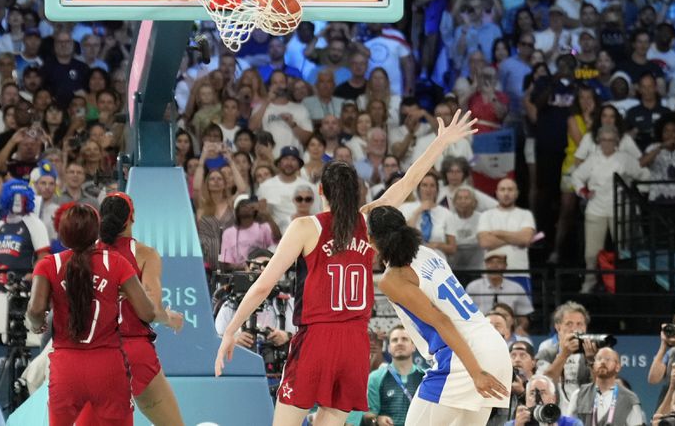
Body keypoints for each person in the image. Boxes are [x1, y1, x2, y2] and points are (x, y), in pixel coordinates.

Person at [215, 110, 479, 426]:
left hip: (317, 338)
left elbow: (262, 285)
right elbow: (409, 180)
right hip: (355, 343)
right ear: (357, 192)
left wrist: (231, 331)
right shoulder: (368, 221)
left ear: (321, 191)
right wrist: (440, 143)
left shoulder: (305, 227)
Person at [366, 201, 510, 425]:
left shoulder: (392, 279)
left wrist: (475, 372)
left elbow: (441, 321)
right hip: (493, 345)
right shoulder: (427, 252)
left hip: (462, 355)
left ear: (371, 239)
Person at [24, 203, 163, 426]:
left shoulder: (49, 264)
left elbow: (36, 309)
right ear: (95, 232)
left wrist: (36, 324)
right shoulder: (116, 262)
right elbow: (147, 313)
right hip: (108, 366)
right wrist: (125, 294)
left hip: (66, 367)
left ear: (61, 234)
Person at [96, 192, 187, 425]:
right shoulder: (145, 255)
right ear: (131, 218)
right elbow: (152, 310)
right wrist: (171, 319)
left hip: (92, 355)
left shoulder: (83, 256)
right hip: (132, 352)